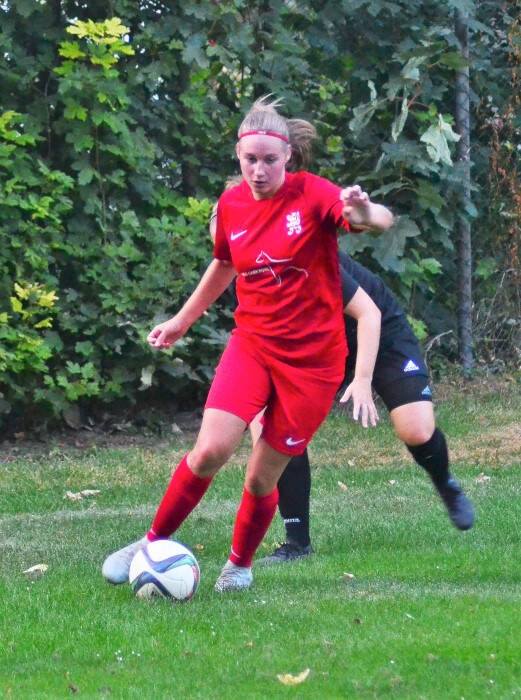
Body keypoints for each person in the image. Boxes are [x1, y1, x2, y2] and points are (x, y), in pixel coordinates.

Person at [101, 96, 394, 593]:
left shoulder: (313, 194)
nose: (259, 171)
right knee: (208, 451)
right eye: (250, 160)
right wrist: (180, 322)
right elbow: (223, 264)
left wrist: (365, 210)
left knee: (261, 478)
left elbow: (377, 220)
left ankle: (239, 565)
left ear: (288, 156)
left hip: (314, 366)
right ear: (238, 156)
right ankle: (151, 542)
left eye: (269, 160)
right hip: (253, 346)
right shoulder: (233, 204)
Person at [258, 249, 475, 564]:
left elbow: (368, 313)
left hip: (381, 331)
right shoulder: (243, 271)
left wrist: (362, 379)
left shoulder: (304, 249)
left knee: (416, 429)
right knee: (280, 426)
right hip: (321, 344)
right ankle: (297, 543)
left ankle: (444, 482)